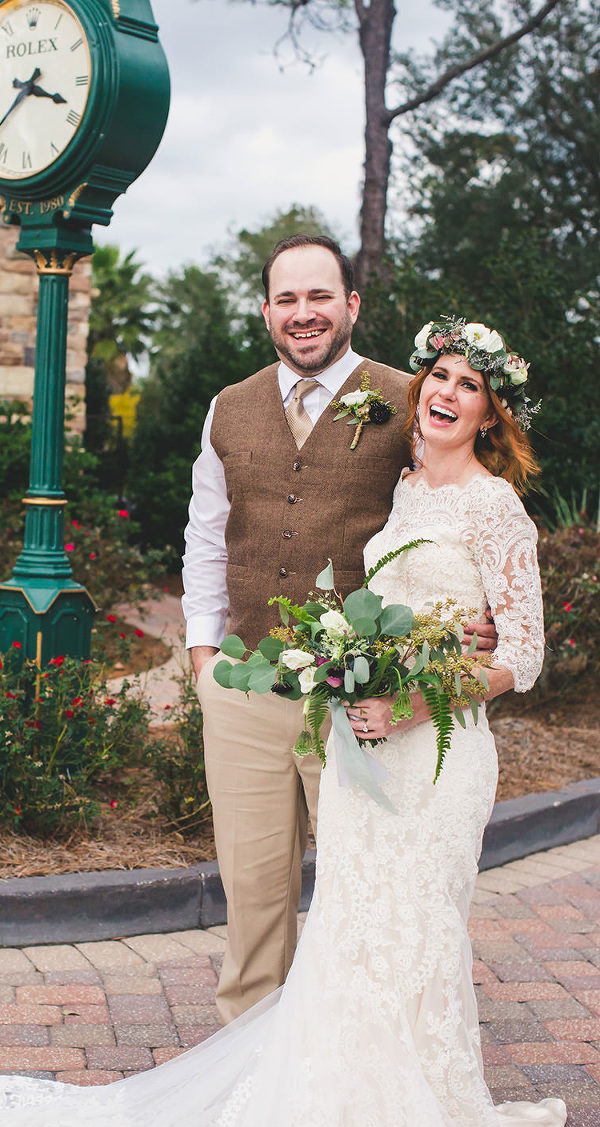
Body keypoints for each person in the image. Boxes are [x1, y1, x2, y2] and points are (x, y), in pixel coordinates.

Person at [0, 315, 566, 1127]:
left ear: (491, 415)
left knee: (422, 930)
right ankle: (342, 1109)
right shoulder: (402, 488)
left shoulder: (496, 506)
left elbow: (527, 656)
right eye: (439, 377)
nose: (447, 393)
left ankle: (425, 1111)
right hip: (365, 745)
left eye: (470, 386)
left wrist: (416, 703)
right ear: (418, 390)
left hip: (436, 757)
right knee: (353, 930)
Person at [183, 234, 495, 1023]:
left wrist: (474, 615)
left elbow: (460, 505)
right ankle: (248, 1058)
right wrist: (201, 655)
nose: (303, 313)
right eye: (286, 298)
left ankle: (352, 1062)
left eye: (320, 295)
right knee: (252, 891)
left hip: (356, 701)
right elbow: (204, 535)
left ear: (351, 305)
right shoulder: (229, 407)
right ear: (265, 312)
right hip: (244, 688)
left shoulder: (409, 400)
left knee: (363, 890)